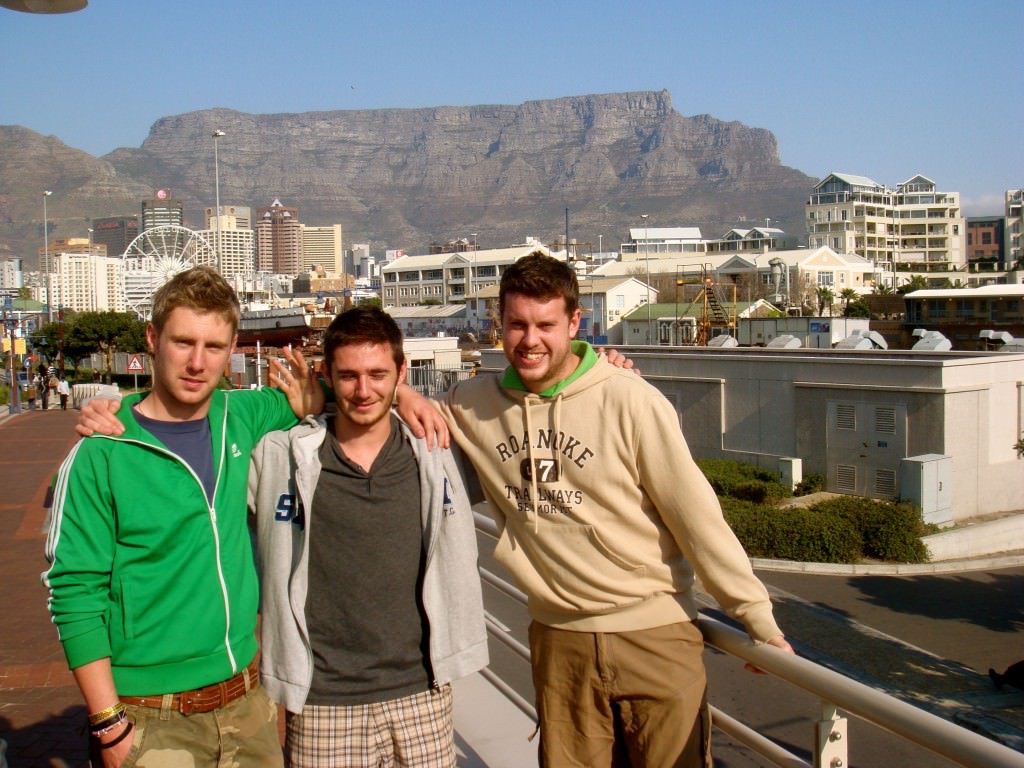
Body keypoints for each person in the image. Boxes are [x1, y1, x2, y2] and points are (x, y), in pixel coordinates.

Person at [60, 269, 447, 767]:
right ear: (153, 339)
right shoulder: (103, 451)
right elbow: (74, 590)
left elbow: (353, 392)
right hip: (149, 711)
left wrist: (410, 395)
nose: (198, 362)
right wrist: (107, 719)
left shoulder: (242, 416)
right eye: (183, 342)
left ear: (231, 351)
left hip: (247, 702)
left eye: (214, 347)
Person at [430, 251, 794, 767]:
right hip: (559, 646)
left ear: (575, 323)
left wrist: (757, 619)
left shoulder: (630, 400)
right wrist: (404, 395)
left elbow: (696, 518)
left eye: (545, 325)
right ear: (499, 324)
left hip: (655, 636)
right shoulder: (472, 404)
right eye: (516, 325)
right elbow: (386, 406)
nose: (529, 340)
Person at [248, 306, 487, 767]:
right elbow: (203, 427)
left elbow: (523, 404)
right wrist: (113, 412)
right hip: (320, 701)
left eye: (378, 374)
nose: (363, 391)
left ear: (402, 373)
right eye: (349, 376)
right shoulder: (279, 454)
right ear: (327, 376)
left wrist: (607, 368)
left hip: (423, 693)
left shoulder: (440, 448)